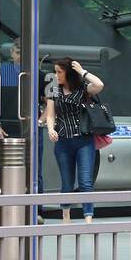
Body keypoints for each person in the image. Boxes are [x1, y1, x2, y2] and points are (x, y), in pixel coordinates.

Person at [44, 56, 104, 223]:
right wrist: (50, 129)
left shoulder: (83, 89)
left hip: (84, 140)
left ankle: (88, 219)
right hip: (63, 141)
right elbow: (50, 114)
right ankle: (66, 217)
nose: (56, 75)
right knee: (67, 182)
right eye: (55, 72)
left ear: (69, 72)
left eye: (60, 72)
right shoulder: (53, 88)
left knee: (85, 181)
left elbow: (99, 85)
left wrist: (82, 71)